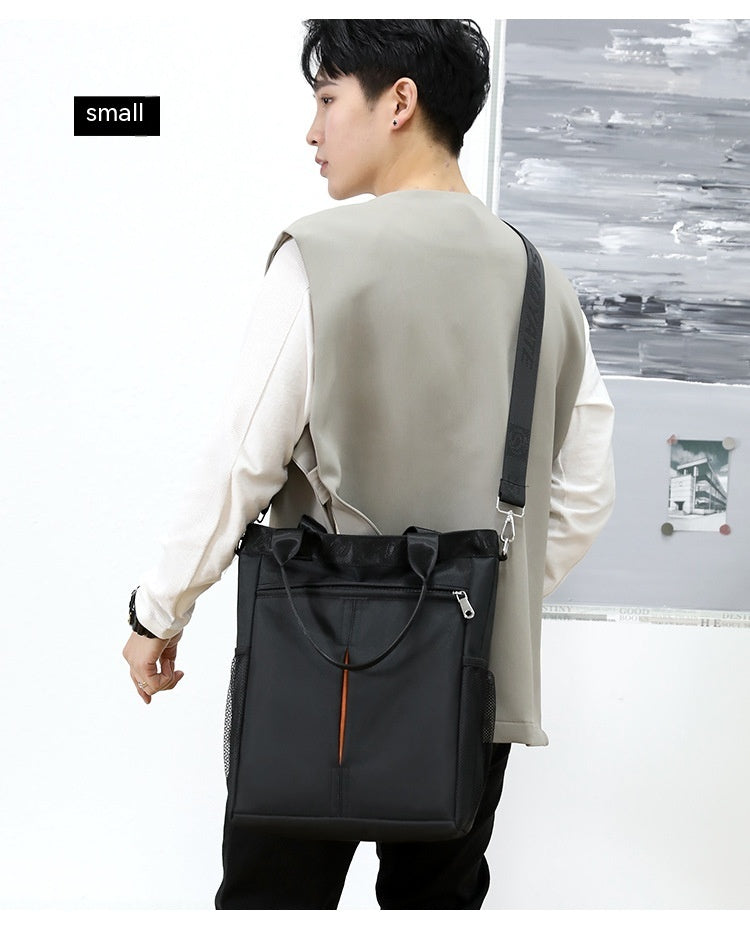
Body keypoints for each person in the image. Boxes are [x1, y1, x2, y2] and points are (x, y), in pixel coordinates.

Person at [122, 19, 615, 909]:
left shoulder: (320, 257)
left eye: (326, 100)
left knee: (273, 910)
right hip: (471, 683)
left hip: (319, 666)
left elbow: (242, 458)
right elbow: (584, 489)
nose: (311, 132)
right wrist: (478, 597)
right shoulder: (544, 280)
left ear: (399, 103)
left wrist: (158, 610)